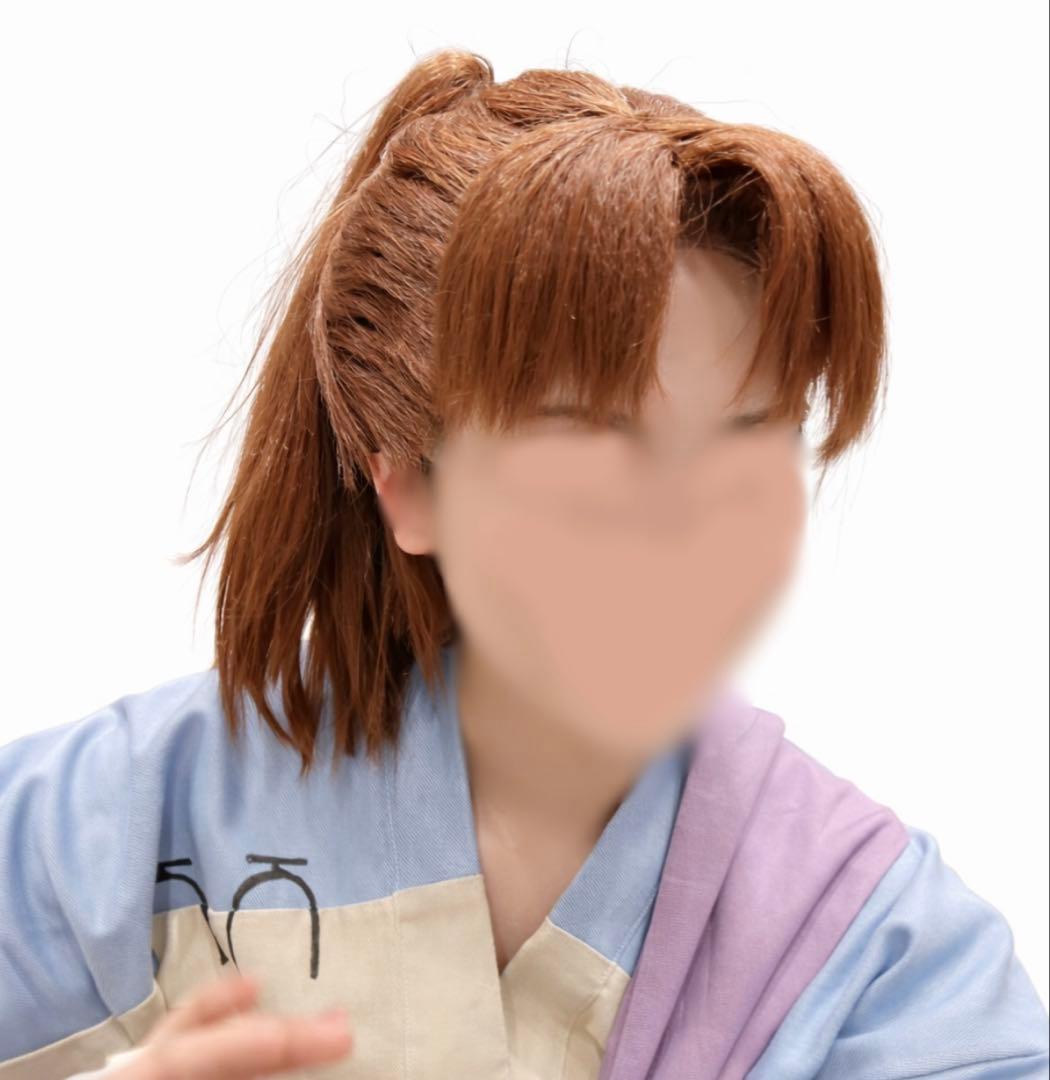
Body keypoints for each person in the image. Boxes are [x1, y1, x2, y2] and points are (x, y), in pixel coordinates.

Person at [1, 47, 1047, 1080]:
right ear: (408, 480)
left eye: (745, 440)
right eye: (593, 440)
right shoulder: (129, 822)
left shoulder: (878, 949)